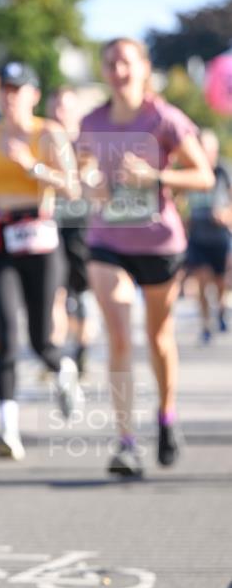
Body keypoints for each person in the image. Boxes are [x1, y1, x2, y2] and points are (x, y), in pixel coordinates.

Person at [78, 38, 214, 478]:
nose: (118, 70)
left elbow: (204, 176)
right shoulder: (91, 121)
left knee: (158, 338)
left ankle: (166, 416)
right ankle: (126, 442)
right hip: (107, 241)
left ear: (143, 67)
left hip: (159, 244)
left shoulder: (164, 118)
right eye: (110, 62)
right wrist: (90, 184)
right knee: (119, 335)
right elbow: (81, 171)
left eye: (125, 62)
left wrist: (155, 175)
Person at [0, 62, 82, 460]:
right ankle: (8, 429)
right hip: (3, 239)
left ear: (33, 96)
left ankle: (63, 368)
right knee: (4, 336)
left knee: (40, 340)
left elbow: (72, 189)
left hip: (41, 240)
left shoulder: (49, 133)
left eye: (18, 90)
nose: (10, 97)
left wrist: (32, 166)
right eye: (5, 89)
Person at [47, 86, 92, 377]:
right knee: (56, 294)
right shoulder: (43, 141)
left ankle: (81, 351)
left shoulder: (87, 143)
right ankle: (57, 359)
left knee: (83, 297)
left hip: (82, 230)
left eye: (65, 106)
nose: (59, 112)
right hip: (50, 228)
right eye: (55, 106)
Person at [184, 129, 232, 342]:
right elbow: (178, 200)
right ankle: (205, 324)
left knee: (220, 282)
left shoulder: (224, 171)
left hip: (220, 237)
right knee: (202, 281)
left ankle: (220, 310)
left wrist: (226, 214)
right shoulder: (189, 170)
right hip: (198, 236)